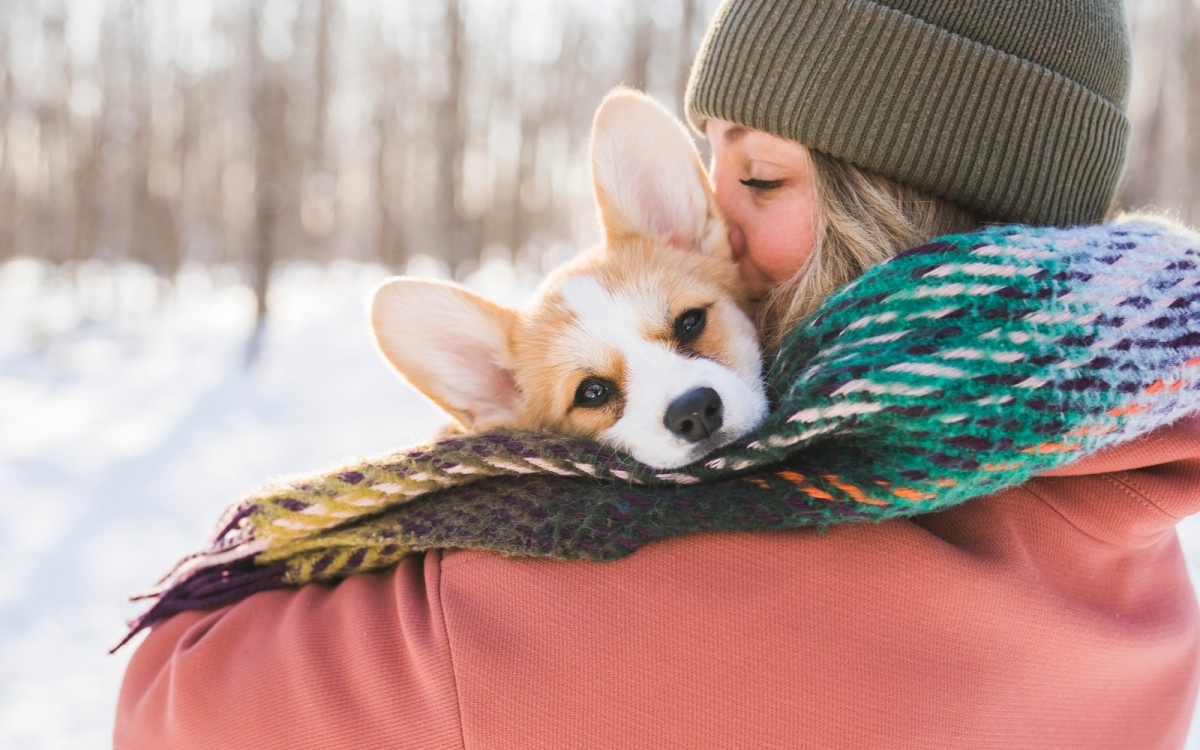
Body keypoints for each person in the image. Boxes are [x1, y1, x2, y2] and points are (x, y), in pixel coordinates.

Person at [115, 1, 1200, 748]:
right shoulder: (1140, 547)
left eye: (761, 176)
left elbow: (178, 693)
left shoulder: (662, 594)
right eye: (711, 165)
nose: (716, 226)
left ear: (900, 201)